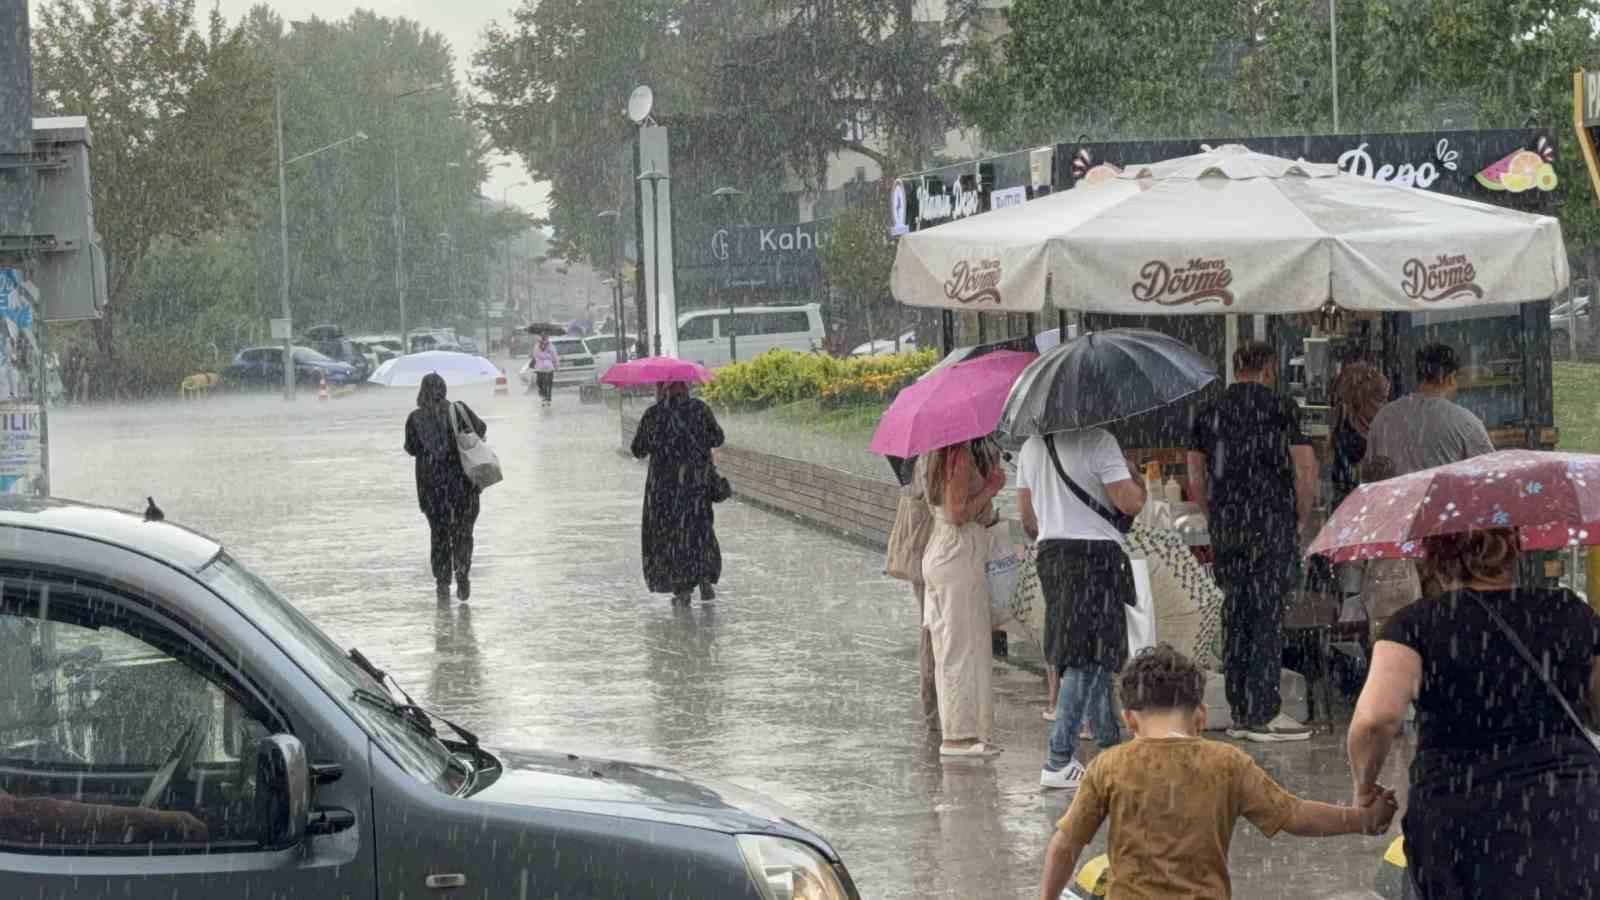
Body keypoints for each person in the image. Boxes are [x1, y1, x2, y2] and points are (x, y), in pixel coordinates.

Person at [1348, 529, 1600, 898]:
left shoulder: (1414, 624)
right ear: (1512, 549)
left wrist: (1365, 791)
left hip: (1459, 817)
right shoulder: (1568, 610)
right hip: (1569, 809)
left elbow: (1374, 721)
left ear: (1434, 555)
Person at [1038, 644, 1396, 900]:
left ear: (1129, 718)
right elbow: (1294, 815)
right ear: (1201, 716)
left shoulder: (1109, 767)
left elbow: (1066, 845)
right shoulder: (1226, 763)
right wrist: (1361, 819)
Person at [1187, 340, 1317, 743]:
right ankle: (1264, 711)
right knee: (1267, 616)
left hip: (1229, 528)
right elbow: (1305, 469)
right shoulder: (1281, 408)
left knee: (1237, 614)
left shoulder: (1207, 411)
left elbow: (1195, 477)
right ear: (1267, 370)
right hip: (1271, 524)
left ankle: (1240, 709)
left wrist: (1216, 515)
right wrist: (1298, 517)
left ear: (1235, 367)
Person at [1017, 425, 1145, 789]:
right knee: (1085, 659)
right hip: (1095, 558)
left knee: (1096, 657)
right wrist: (1135, 477)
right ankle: (1058, 758)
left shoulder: (1031, 447)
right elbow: (1129, 503)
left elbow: (1027, 519)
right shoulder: (1100, 441)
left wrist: (1059, 522)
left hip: (1052, 556)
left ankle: (1110, 747)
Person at [921, 436, 1006, 758]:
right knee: (961, 647)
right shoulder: (957, 457)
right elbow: (958, 512)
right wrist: (991, 488)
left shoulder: (936, 455)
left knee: (954, 645)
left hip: (944, 552)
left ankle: (965, 731)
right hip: (956, 554)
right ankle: (958, 736)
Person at [631, 382, 725, 606]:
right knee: (700, 529)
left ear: (663, 389)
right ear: (687, 386)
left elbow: (638, 450)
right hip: (697, 485)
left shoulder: (654, 415)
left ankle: (682, 589)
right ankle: (704, 577)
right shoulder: (700, 409)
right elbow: (718, 438)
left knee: (673, 535)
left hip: (664, 489)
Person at [404, 373, 487, 603]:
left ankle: (442, 582)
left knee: (439, 534)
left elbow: (410, 448)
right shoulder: (458, 410)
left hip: (432, 489)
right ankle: (462, 571)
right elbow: (480, 429)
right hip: (463, 485)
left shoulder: (415, 418)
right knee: (463, 532)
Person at [1364, 342, 1494, 477]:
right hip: (1443, 497)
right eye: (1456, 379)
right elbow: (1490, 475)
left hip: (1397, 497)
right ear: (1449, 378)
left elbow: (1371, 474)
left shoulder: (1384, 416)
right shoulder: (1465, 422)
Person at [884, 455, 938, 727]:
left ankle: (933, 705)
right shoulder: (927, 460)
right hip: (932, 554)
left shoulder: (913, 460)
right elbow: (942, 507)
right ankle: (933, 707)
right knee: (932, 633)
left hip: (924, 555)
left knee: (930, 629)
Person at [1328, 361, 1390, 511]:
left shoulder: (1353, 426)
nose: (1386, 405)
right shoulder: (1350, 435)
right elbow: (1353, 476)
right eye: (1381, 399)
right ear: (1362, 400)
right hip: (1356, 509)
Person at [530, 335, 559, 406]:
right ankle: (545, 396)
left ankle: (547, 397)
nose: (544, 340)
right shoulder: (537, 346)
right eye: (543, 338)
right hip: (542, 368)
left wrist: (556, 365)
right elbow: (534, 355)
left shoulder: (550, 346)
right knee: (542, 382)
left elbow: (554, 356)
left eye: (545, 338)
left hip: (547, 367)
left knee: (547, 383)